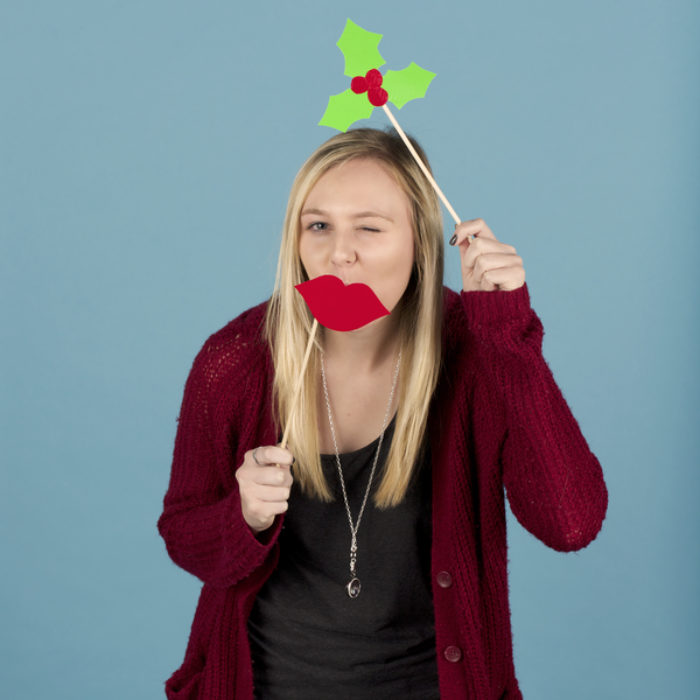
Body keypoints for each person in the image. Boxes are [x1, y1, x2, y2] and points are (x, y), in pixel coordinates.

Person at [157, 128, 608, 700]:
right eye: (318, 225)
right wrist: (242, 515)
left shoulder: (477, 354)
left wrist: (508, 336)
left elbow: (571, 524)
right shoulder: (237, 360)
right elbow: (183, 534)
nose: (338, 251)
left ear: (421, 239)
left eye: (368, 227)